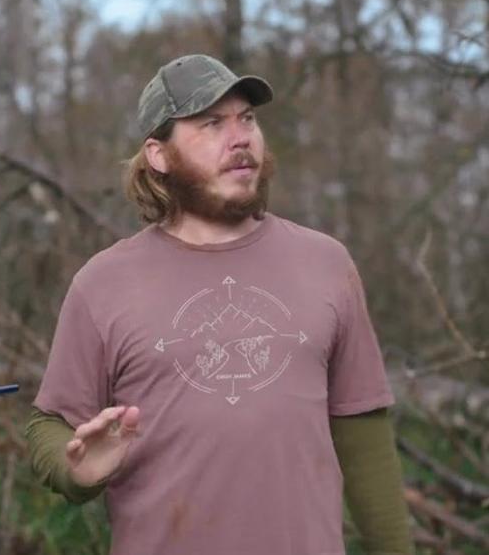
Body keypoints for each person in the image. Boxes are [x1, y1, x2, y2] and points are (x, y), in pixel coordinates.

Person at [26, 54, 413, 555]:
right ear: (158, 155)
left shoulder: (326, 263)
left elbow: (363, 434)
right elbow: (49, 426)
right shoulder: (103, 284)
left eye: (246, 119)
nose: (240, 138)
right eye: (211, 124)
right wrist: (75, 469)